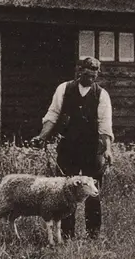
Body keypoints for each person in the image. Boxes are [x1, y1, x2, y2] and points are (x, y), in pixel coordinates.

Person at [30, 57, 113, 240]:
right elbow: (52, 115)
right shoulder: (64, 89)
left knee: (93, 191)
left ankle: (93, 234)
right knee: (66, 192)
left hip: (93, 149)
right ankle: (67, 235)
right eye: (86, 74)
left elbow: (105, 125)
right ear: (78, 71)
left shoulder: (102, 95)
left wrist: (107, 149)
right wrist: (42, 136)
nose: (90, 78)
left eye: (94, 75)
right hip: (68, 148)